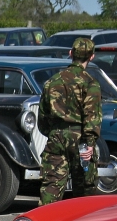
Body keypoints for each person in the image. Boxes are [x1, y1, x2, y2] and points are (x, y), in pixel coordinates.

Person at [38, 37, 101, 205]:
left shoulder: (52, 82)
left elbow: (43, 117)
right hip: (80, 141)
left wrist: (53, 132)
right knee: (84, 191)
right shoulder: (90, 83)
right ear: (91, 57)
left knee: (51, 186)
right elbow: (92, 117)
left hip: (57, 137)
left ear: (70, 53)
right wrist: (89, 143)